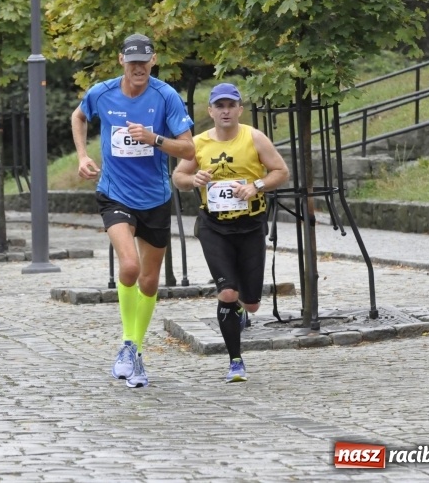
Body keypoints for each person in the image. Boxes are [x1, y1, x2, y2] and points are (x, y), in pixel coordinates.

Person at [71, 33, 195, 388]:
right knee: (129, 265)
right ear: (121, 61)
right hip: (115, 194)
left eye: (144, 61)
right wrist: (82, 155)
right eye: (132, 61)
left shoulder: (164, 96)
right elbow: (78, 117)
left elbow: (188, 151)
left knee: (150, 280)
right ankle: (127, 344)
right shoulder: (102, 92)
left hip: (155, 197)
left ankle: (136, 352)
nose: (138, 67)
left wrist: (154, 138)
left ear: (153, 61)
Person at [172, 83, 289, 383]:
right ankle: (235, 361)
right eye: (219, 106)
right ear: (210, 111)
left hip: (250, 225)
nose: (225, 111)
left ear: (239, 109)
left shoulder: (254, 138)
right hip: (214, 226)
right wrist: (193, 178)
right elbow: (178, 177)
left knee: (251, 302)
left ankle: (242, 310)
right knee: (227, 292)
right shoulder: (197, 143)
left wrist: (256, 186)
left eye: (230, 105)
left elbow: (281, 171)